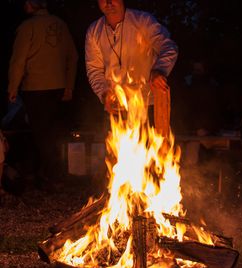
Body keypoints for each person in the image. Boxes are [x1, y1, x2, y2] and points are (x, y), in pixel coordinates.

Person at [7, 0, 78, 188]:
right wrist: (69, 86)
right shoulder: (61, 25)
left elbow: (18, 60)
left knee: (41, 134)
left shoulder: (27, 27)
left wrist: (13, 88)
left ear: (32, 4)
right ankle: (50, 173)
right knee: (53, 133)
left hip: (35, 88)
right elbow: (73, 56)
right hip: (59, 88)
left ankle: (51, 176)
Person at [85, 0, 178, 118]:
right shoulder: (94, 31)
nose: (108, 3)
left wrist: (159, 70)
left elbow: (169, 47)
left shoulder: (142, 21)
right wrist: (104, 93)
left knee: (151, 136)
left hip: (147, 102)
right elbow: (94, 69)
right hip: (117, 106)